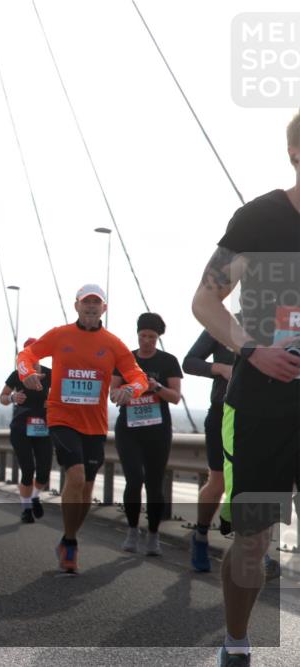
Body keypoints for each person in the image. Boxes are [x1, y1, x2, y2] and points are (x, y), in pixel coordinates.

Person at [190, 110, 300, 667]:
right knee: (254, 540)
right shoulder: (259, 218)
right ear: (295, 154)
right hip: (263, 406)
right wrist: (251, 349)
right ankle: (235, 642)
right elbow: (205, 300)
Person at [16, 283, 148, 574]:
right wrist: (26, 373)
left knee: (87, 486)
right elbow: (27, 355)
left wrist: (130, 390)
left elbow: (138, 376)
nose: (90, 307)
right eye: (85, 302)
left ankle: (69, 538)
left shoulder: (112, 343)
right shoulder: (60, 335)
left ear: (104, 308)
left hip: (95, 424)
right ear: (76, 305)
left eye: (96, 303)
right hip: (62, 417)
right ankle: (71, 543)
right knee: (75, 475)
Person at [111, 313, 183, 555]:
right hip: (129, 429)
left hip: (157, 430)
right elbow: (112, 392)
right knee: (134, 479)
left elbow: (175, 397)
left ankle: (153, 535)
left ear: (158, 338)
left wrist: (156, 387)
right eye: (143, 336)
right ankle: (132, 530)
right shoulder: (125, 360)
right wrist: (124, 391)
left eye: (152, 337)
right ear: (137, 335)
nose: (147, 341)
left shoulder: (168, 361)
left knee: (154, 483)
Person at [182, 325, 235, 572]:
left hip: (262, 418)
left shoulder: (278, 327)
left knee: (252, 483)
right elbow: (189, 362)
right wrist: (221, 368)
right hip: (222, 413)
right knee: (219, 482)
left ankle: (251, 550)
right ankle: (201, 534)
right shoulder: (221, 323)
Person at [0, 337, 52, 523]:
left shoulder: (50, 374)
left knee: (44, 472)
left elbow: (62, 396)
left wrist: (52, 403)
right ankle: (26, 508)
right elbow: (2, 397)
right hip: (21, 427)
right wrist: (13, 398)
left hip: (42, 427)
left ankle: (35, 496)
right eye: (29, 353)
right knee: (28, 470)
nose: (33, 357)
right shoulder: (17, 375)